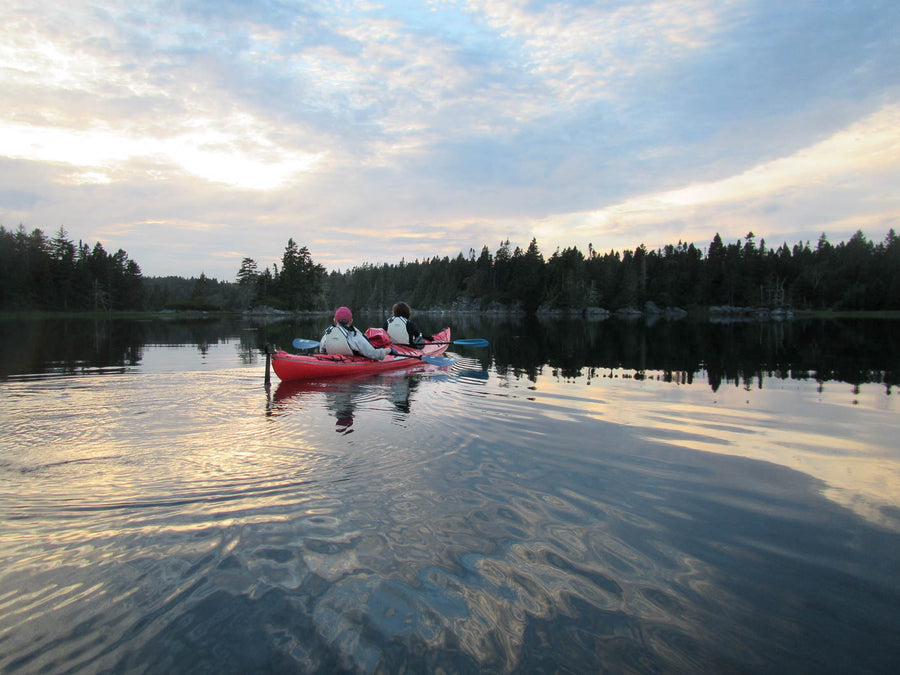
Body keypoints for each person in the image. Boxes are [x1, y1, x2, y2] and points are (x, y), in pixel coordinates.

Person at [320, 306, 389, 360]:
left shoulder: (327, 335)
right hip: (351, 362)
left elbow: (322, 351)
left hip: (332, 361)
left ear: (334, 320)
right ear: (351, 321)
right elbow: (374, 354)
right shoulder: (355, 336)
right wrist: (388, 351)